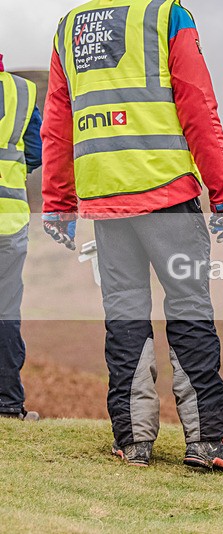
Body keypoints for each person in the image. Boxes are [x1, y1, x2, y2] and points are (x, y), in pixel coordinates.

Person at [42, 0, 223, 470]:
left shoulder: (67, 27)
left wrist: (58, 202)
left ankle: (133, 442)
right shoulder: (167, 15)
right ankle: (206, 442)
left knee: (125, 316)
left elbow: (58, 121)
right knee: (189, 310)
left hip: (105, 199)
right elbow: (197, 103)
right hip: (167, 192)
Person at [0, 54, 42, 422]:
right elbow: (36, 153)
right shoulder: (22, 93)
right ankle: (8, 403)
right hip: (8, 221)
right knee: (6, 311)